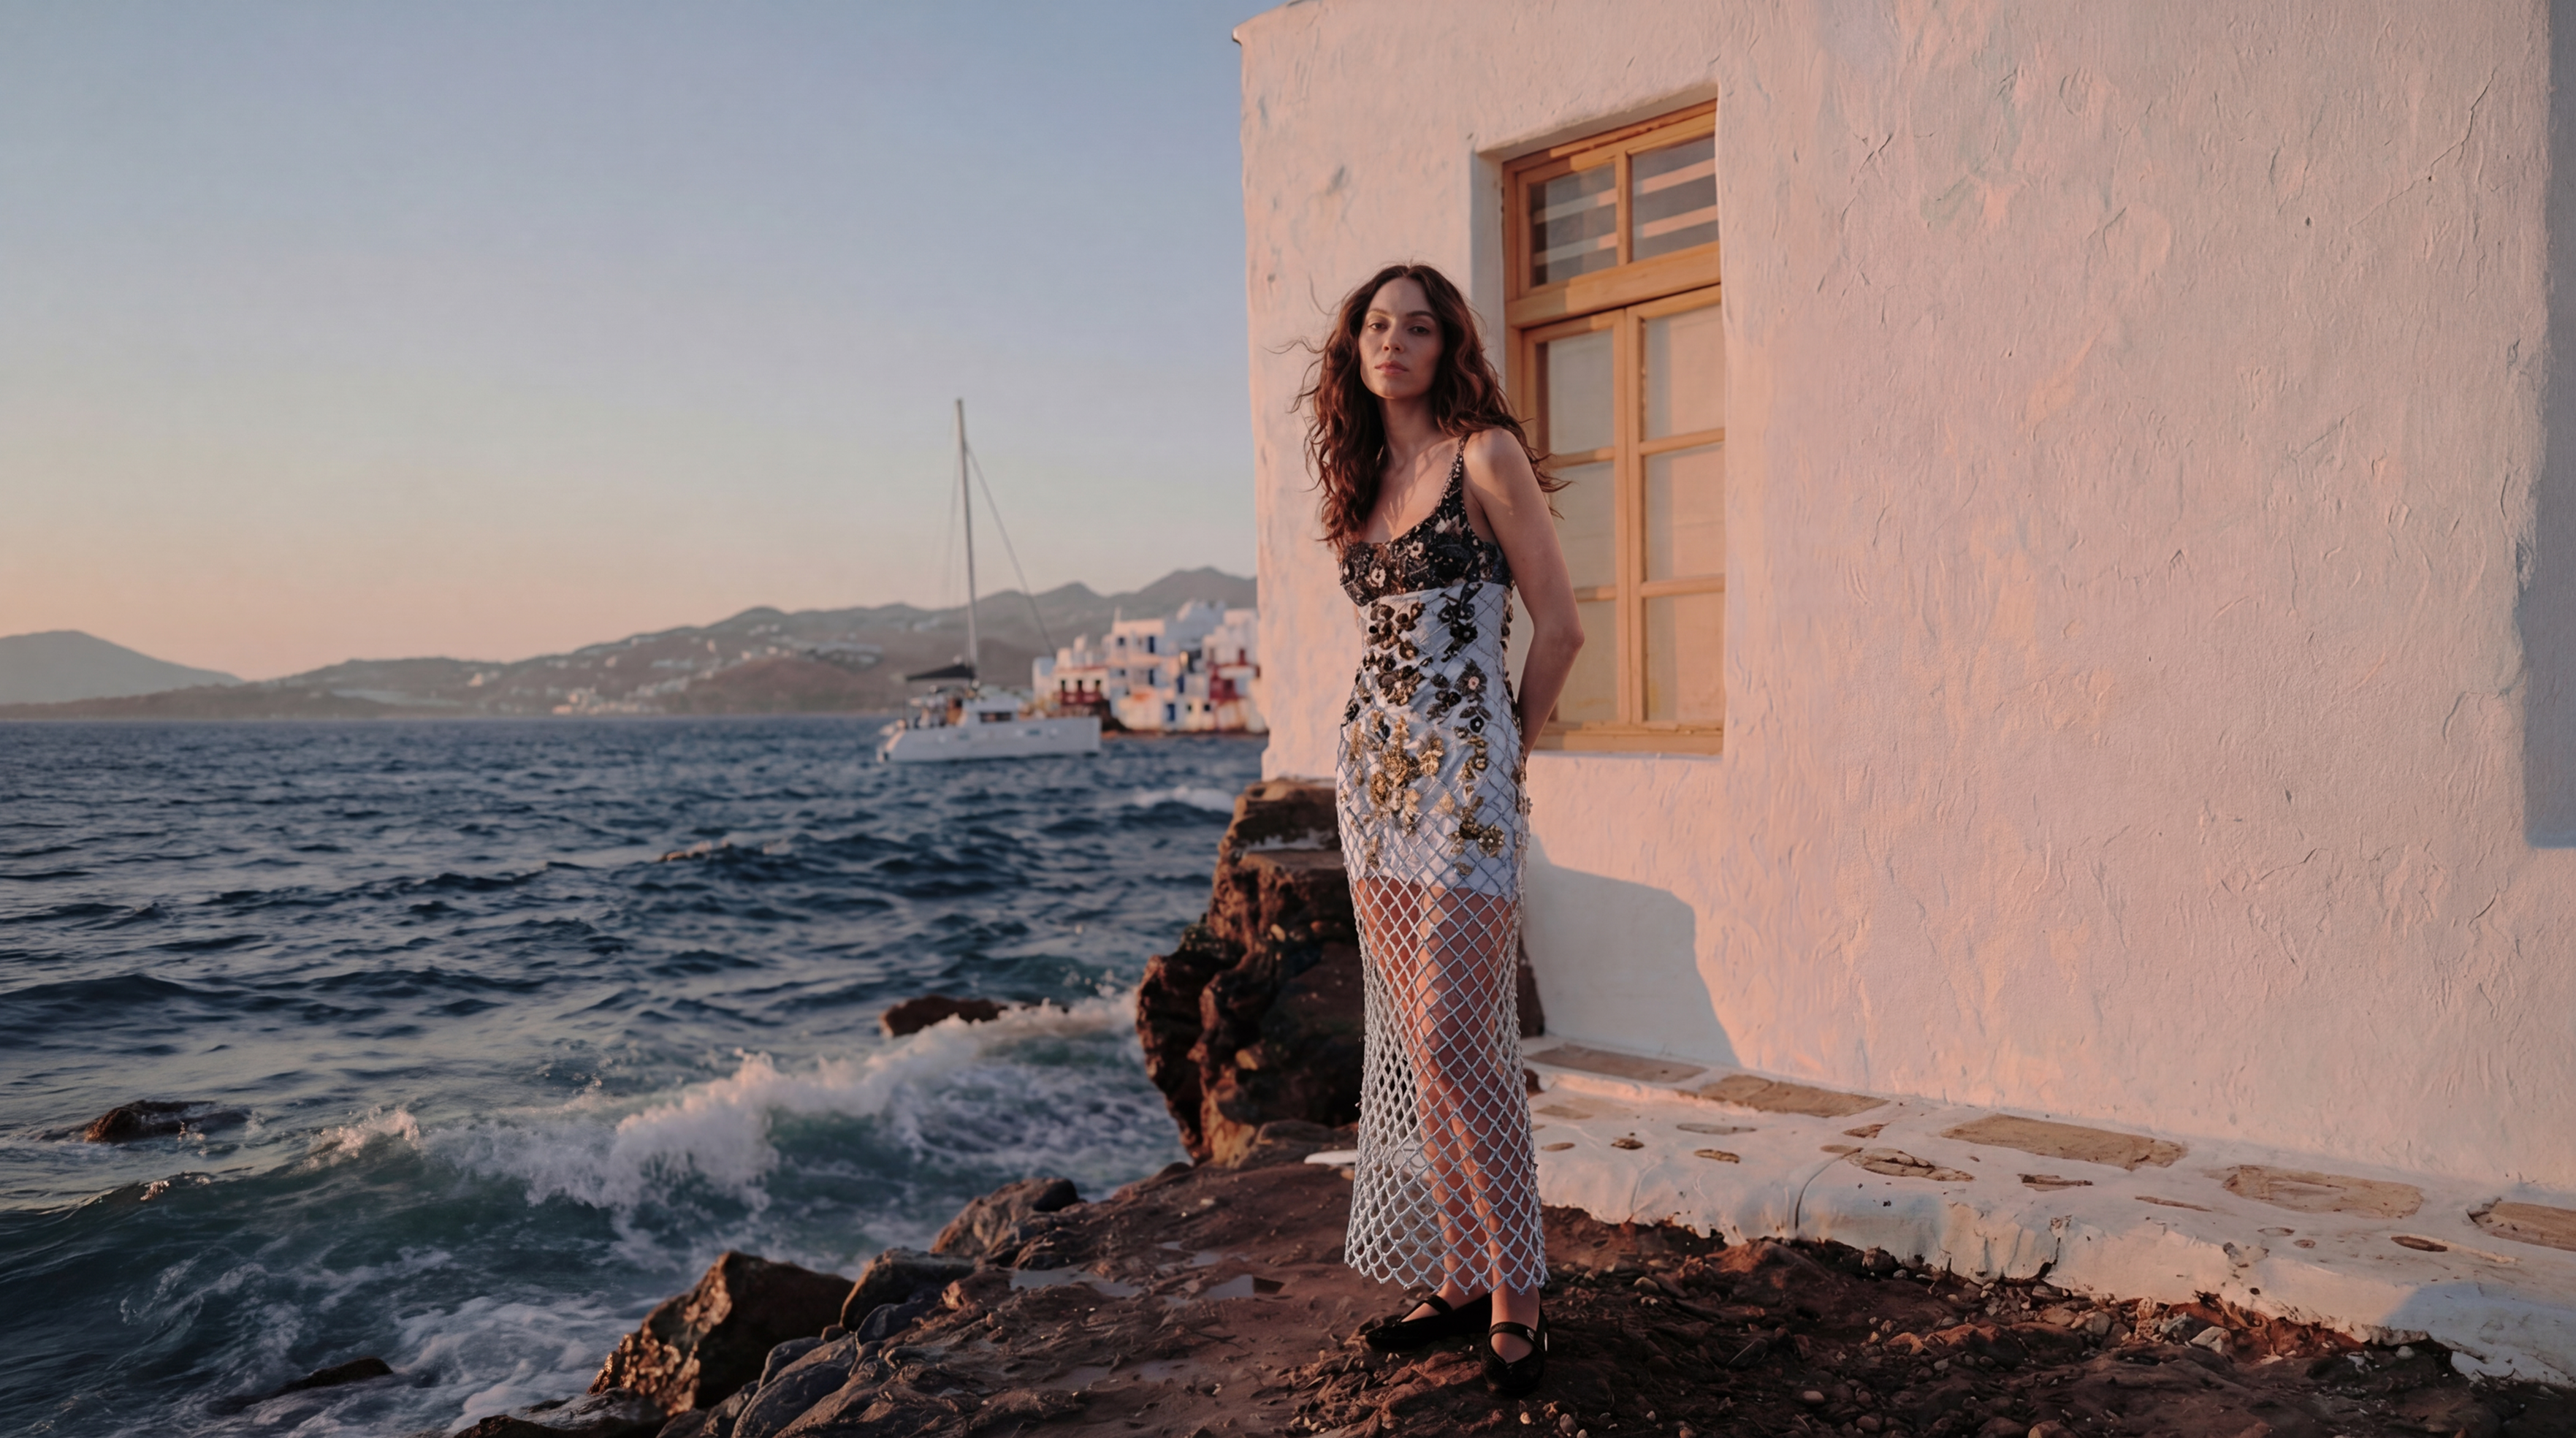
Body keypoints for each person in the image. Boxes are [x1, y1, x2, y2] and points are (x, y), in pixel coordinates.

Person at [1297, 262, 1584, 1397]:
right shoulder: (1360, 480)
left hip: (1463, 787)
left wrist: (1508, 752)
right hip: (1371, 786)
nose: (1394, 342)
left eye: (1417, 327)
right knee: (1422, 1049)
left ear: (1446, 345)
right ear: (1354, 349)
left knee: (1459, 1038)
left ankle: (1519, 1291)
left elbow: (1559, 627)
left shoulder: (1484, 455)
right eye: (1376, 326)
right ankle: (1464, 1274)